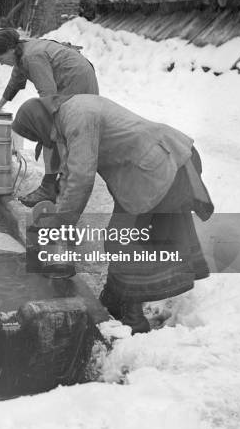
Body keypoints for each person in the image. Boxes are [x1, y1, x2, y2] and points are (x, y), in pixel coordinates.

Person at [12, 95, 214, 334]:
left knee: (121, 240)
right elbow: (70, 172)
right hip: (153, 165)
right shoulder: (69, 116)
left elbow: (81, 179)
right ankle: (115, 299)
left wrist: (61, 226)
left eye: (36, 134)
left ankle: (133, 317)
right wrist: (59, 213)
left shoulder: (77, 118)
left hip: (159, 167)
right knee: (130, 237)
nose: (42, 141)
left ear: (39, 123)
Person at [0, 28, 99, 206]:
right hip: (72, 78)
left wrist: (45, 126)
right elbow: (16, 80)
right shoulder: (21, 52)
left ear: (10, 50)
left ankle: (51, 187)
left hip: (76, 80)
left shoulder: (32, 57)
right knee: (54, 131)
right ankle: (58, 184)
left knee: (54, 132)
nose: (1, 64)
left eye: (1, 59)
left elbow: (48, 94)